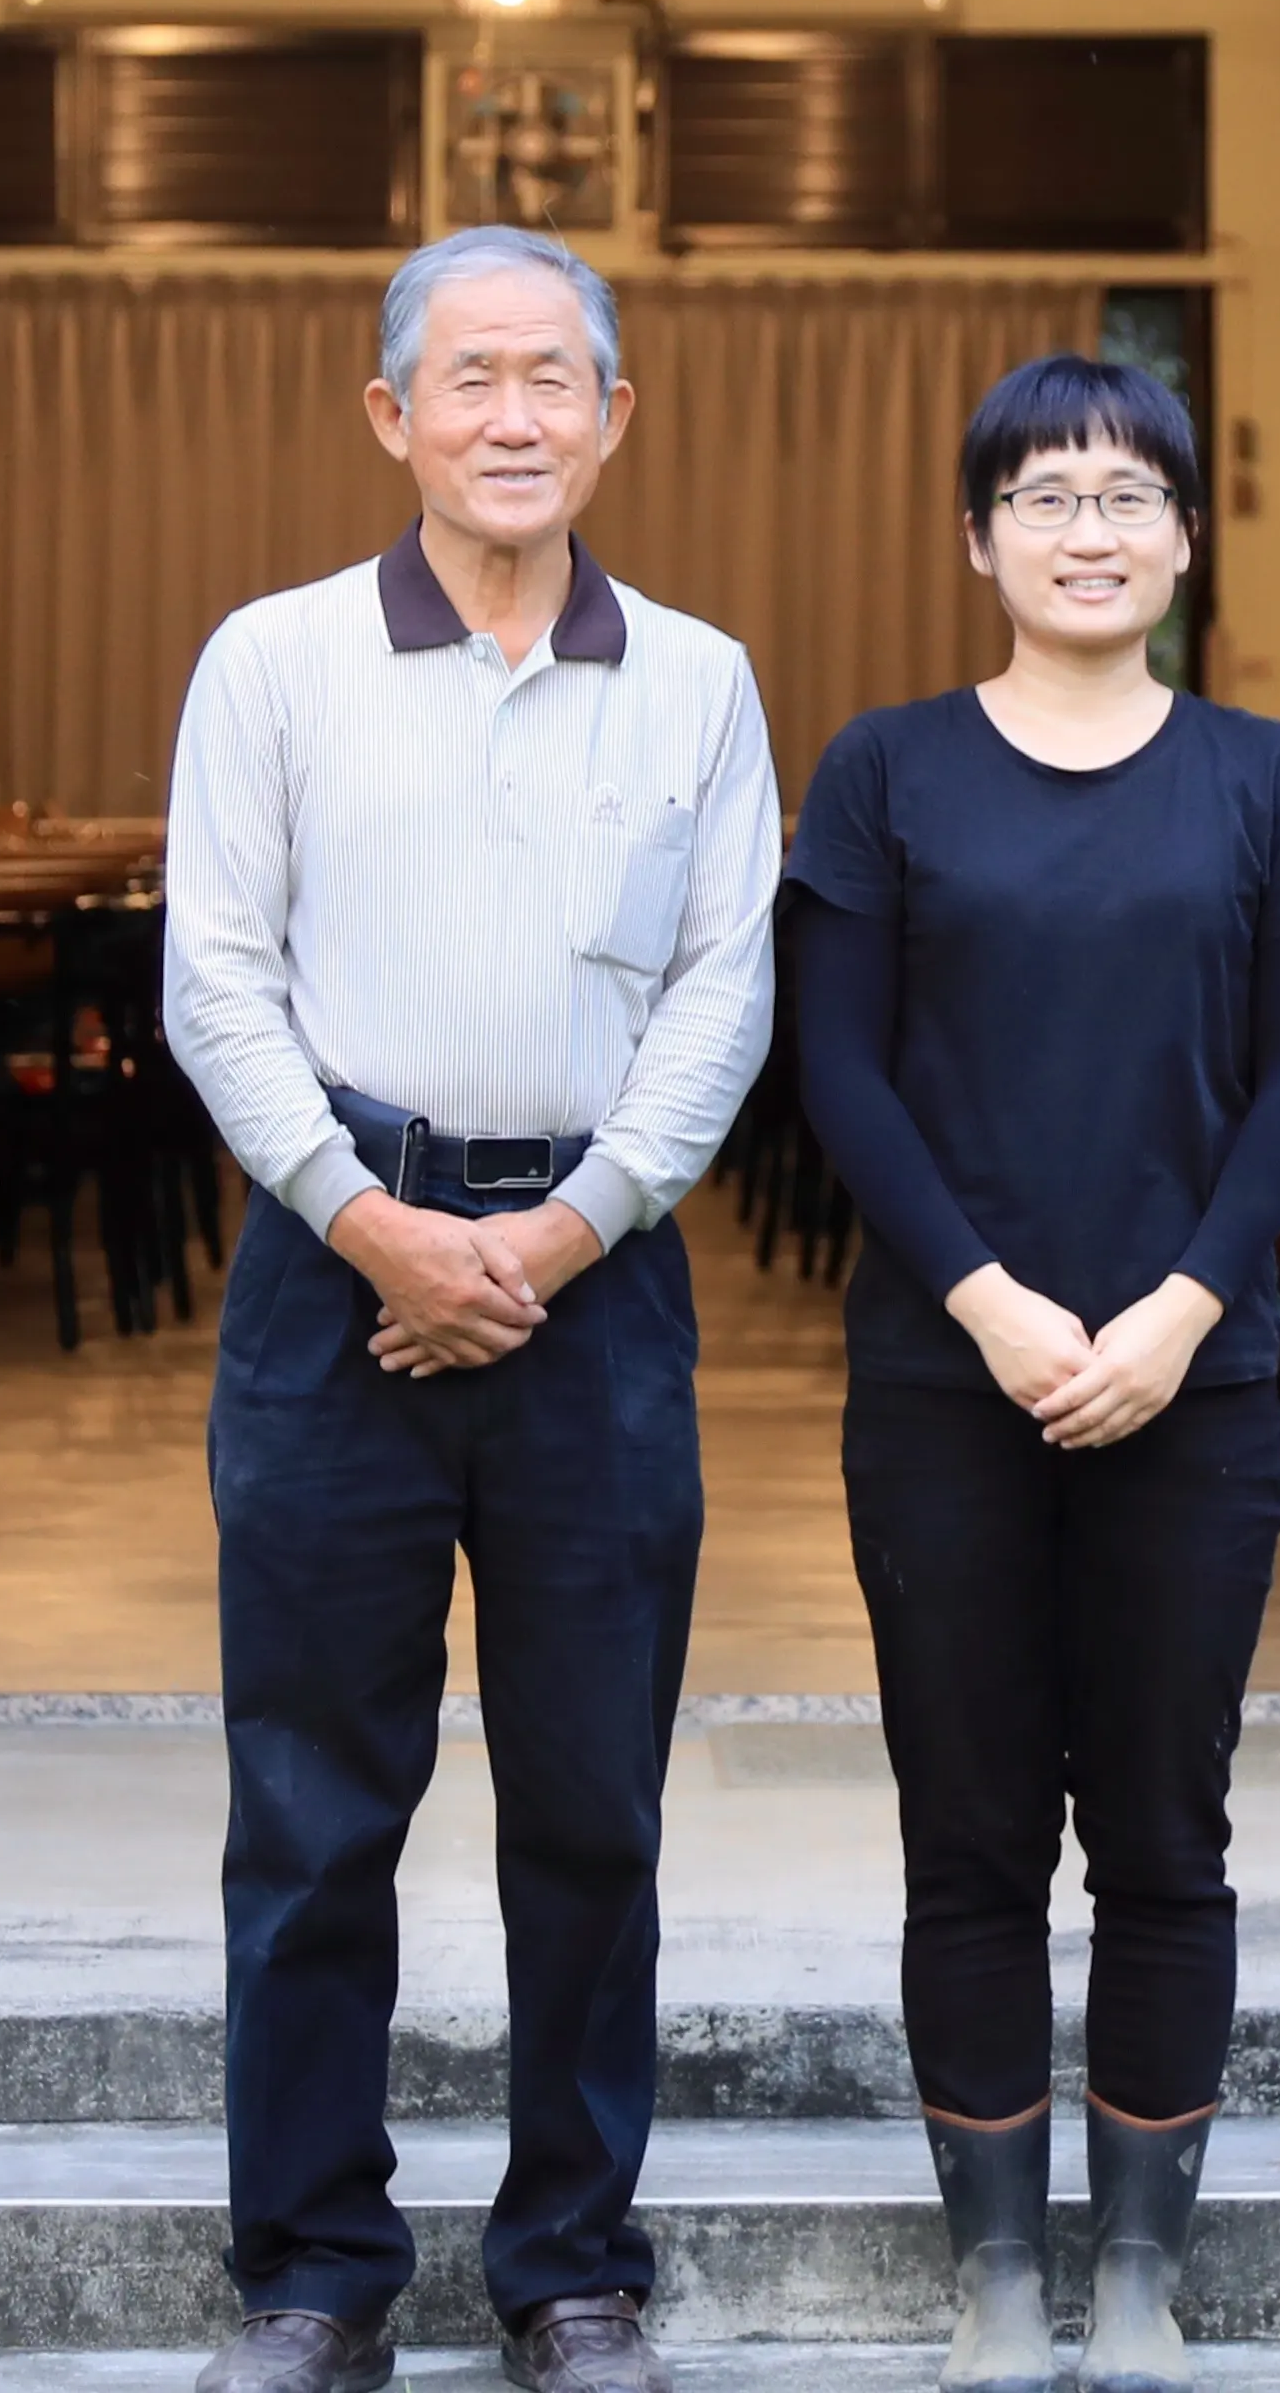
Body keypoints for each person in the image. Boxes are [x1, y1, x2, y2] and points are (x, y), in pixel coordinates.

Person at [159, 225, 778, 2393]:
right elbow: (218, 979)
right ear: (391, 415)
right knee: (314, 1804)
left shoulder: (696, 680)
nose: (512, 417)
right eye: (470, 377)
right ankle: (316, 2272)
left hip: (591, 1291)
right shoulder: (277, 661)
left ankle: (571, 2265)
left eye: (554, 378)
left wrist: (556, 1238)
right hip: (336, 1283)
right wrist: (373, 1229)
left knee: (591, 1801)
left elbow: (724, 996)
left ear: (615, 415)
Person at [782, 354, 1280, 2393]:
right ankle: (994, 2277)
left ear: (1186, 539)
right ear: (978, 541)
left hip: (1189, 1391)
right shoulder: (886, 775)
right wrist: (983, 1297)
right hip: (945, 1381)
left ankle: (1139, 2266)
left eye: (1127, 494)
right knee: (967, 1828)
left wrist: (1180, 1312)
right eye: (1043, 496)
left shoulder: (1271, 785)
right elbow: (842, 1071)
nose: (1087, 529)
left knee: (1159, 1825)